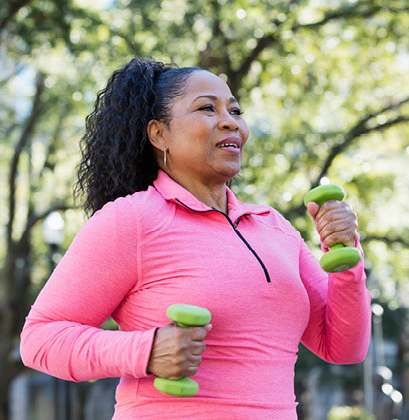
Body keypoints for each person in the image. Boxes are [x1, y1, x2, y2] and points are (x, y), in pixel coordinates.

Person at [20, 57, 371, 419]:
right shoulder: (132, 220)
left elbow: (344, 347)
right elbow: (40, 339)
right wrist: (146, 351)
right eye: (207, 108)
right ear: (159, 134)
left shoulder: (276, 229)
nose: (229, 121)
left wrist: (346, 256)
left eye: (235, 110)